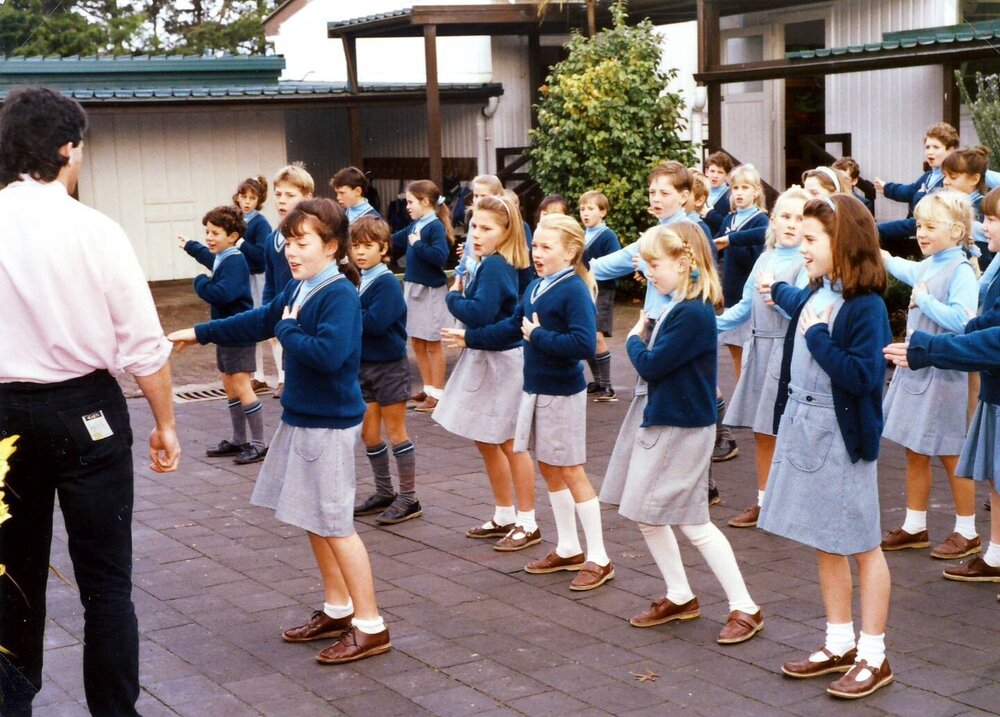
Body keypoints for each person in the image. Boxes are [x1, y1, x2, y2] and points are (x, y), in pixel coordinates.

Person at [0, 86, 180, 716]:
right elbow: (142, 343)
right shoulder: (95, 230)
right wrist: (166, 423)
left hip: (2, 424)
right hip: (88, 415)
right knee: (106, 583)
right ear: (67, 148)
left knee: (9, 580)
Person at [169, 198, 391, 665]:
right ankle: (338, 608)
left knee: (335, 523)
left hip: (327, 424)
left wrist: (288, 333)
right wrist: (197, 332)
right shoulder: (301, 286)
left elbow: (329, 354)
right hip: (302, 417)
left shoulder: (338, 294)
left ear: (332, 247)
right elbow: (261, 319)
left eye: (302, 242)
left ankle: (371, 626)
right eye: (288, 242)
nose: (291, 251)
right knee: (313, 517)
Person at [600, 221, 763, 642]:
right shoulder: (679, 304)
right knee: (647, 515)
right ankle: (680, 594)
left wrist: (635, 338)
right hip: (671, 421)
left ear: (684, 262)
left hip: (684, 428)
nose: (648, 272)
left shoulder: (692, 311)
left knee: (693, 523)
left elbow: (652, 365)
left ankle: (745, 607)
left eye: (655, 264)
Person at [759, 194, 893, 700]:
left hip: (840, 436)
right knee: (825, 537)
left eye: (812, 240)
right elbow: (799, 310)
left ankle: (873, 655)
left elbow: (863, 376)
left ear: (844, 244)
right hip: (805, 425)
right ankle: (839, 640)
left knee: (861, 544)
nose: (802, 248)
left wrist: (817, 339)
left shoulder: (867, 307)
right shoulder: (817, 290)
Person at [462, 214, 614, 589]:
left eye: (547, 247)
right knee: (549, 466)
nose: (537, 253)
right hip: (536, 389)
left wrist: (541, 335)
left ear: (572, 251)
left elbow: (584, 344)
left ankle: (599, 557)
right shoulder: (536, 286)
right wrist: (469, 338)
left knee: (571, 470)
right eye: (535, 246)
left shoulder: (574, 289)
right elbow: (513, 327)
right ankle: (567, 548)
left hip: (562, 392)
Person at [884, 186, 1000, 589]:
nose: (921, 232)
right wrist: (878, 255)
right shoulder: (931, 263)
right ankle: (914, 524)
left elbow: (963, 321)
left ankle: (967, 529)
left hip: (946, 374)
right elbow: (905, 269)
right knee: (914, 447)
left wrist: (925, 303)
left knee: (951, 451)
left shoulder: (961, 270)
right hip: (921, 371)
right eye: (918, 225)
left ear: (955, 230)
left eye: (930, 226)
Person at [438, 196, 538, 549]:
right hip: (487, 358)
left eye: (486, 228)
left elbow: (478, 313)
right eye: (474, 227)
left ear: (507, 231)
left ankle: (527, 520)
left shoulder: (496, 265)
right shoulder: (486, 262)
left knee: (510, 442)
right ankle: (505, 513)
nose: (476, 235)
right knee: (486, 437)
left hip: (503, 362)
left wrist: (453, 296)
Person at [715, 187, 810, 528]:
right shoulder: (767, 257)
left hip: (787, 354)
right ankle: (764, 501)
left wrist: (777, 299)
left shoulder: (806, 261)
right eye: (785, 217)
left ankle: (795, 502)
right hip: (760, 350)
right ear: (773, 220)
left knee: (788, 429)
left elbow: (804, 312)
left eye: (800, 219)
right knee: (762, 430)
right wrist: (709, 325)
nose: (791, 225)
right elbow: (743, 306)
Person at [179, 206, 267, 465]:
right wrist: (191, 246)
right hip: (225, 332)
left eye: (215, 232)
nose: (209, 237)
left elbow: (222, 293)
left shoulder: (235, 260)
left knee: (241, 385)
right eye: (207, 231)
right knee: (229, 385)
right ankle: (239, 439)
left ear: (233, 236)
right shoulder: (224, 256)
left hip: (238, 332)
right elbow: (209, 258)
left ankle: (259, 444)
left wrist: (200, 282)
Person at [350, 216, 419, 525]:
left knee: (395, 432)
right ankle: (384, 491)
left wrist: (349, 311)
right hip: (363, 366)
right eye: (355, 246)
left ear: (384, 249)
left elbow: (376, 322)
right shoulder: (360, 279)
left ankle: (409, 497)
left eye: (367, 246)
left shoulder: (387, 282)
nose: (360, 252)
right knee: (369, 433)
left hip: (389, 367)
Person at [391, 180, 454, 413]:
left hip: (430, 292)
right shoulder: (415, 225)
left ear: (425, 202)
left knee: (432, 343)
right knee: (417, 340)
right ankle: (427, 389)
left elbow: (440, 256)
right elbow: (393, 239)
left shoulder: (433, 227)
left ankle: (437, 394)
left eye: (410, 202)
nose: (407, 206)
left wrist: (417, 245)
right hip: (413, 289)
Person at [714, 163, 770, 384]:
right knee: (736, 354)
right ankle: (740, 401)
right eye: (735, 188)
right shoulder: (729, 219)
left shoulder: (760, 220)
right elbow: (718, 252)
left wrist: (733, 241)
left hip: (748, 297)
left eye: (745, 187)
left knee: (750, 359)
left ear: (756, 191)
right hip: (731, 293)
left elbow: (755, 260)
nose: (738, 193)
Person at [263, 163, 315, 399]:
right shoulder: (272, 238)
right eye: (278, 194)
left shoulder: (314, 236)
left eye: (290, 195)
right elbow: (270, 280)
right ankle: (285, 380)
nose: (282, 201)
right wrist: (268, 312)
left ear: (307, 197)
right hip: (283, 309)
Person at [579, 190, 622, 402]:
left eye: (591, 209)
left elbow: (615, 263)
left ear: (603, 212)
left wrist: (594, 272)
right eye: (582, 209)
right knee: (586, 334)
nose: (585, 213)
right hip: (584, 289)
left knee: (596, 335)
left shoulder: (607, 236)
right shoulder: (580, 235)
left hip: (602, 289)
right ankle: (597, 380)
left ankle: (608, 385)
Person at [233, 175, 273, 391]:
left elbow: (261, 256)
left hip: (258, 279)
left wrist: (240, 243)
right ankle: (258, 375)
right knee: (251, 329)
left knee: (270, 331)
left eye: (252, 197)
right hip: (243, 279)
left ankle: (284, 378)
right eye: (243, 196)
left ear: (259, 200)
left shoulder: (261, 224)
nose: (247, 201)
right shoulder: (238, 221)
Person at [874, 122, 959, 217]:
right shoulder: (928, 175)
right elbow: (910, 191)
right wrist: (886, 188)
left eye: (936, 147)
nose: (930, 152)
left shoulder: (954, 180)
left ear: (951, 150)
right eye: (927, 147)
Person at [702, 150, 735, 237]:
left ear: (727, 175)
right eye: (712, 171)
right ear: (706, 172)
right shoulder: (699, 191)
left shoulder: (731, 196)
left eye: (720, 172)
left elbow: (732, 227)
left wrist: (711, 214)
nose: (715, 176)